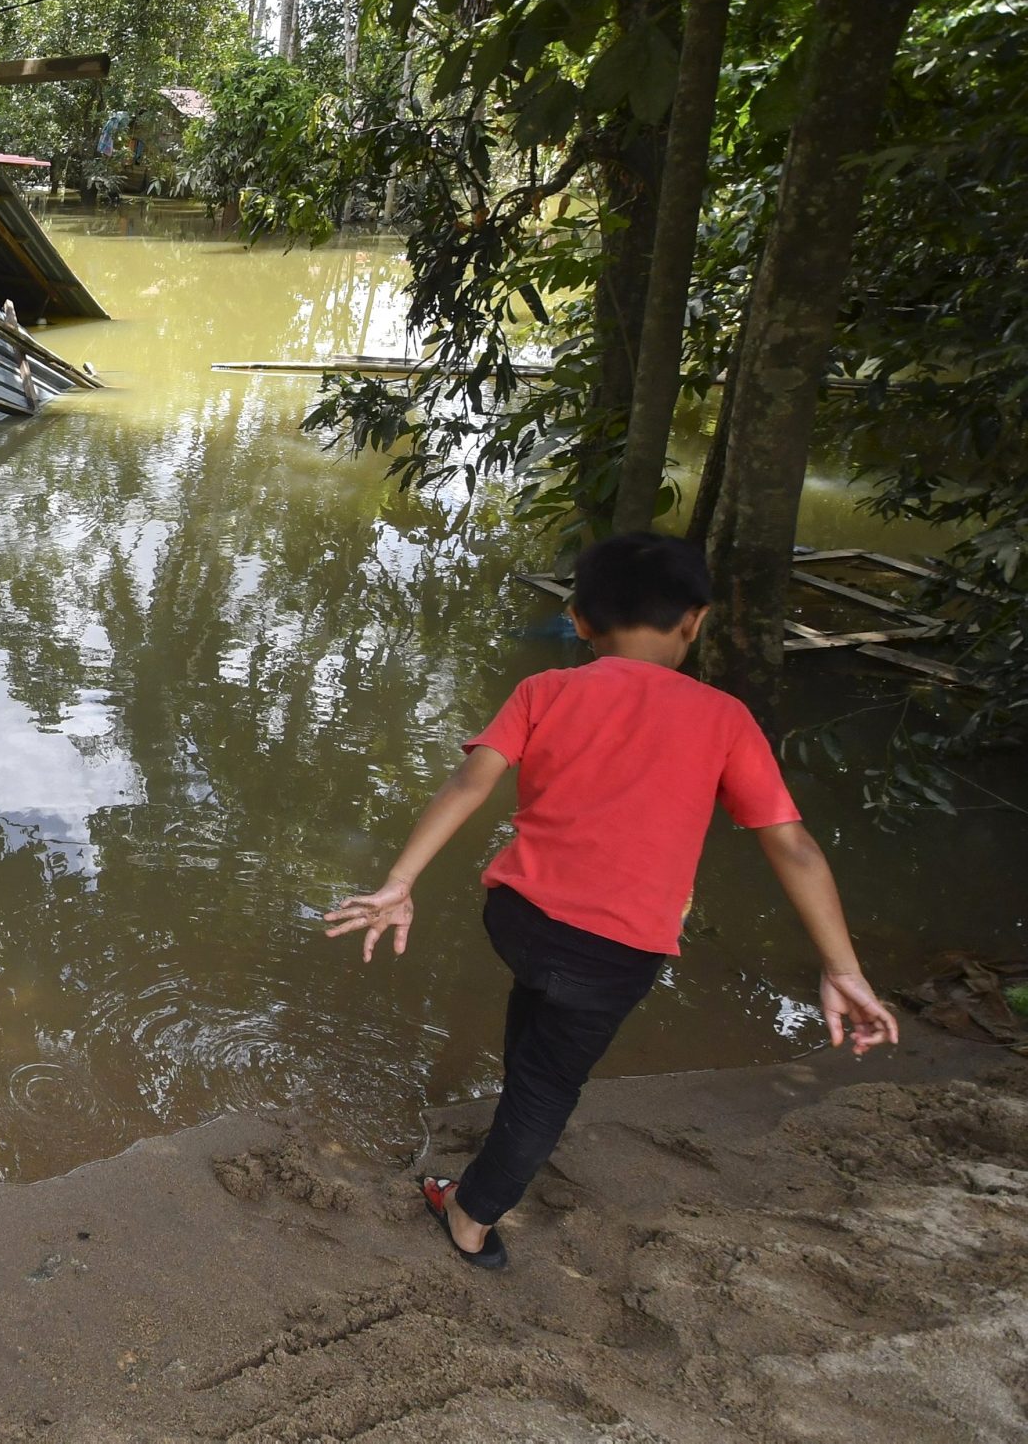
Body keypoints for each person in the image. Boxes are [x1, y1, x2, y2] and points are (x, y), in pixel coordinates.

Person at [323, 532, 899, 1270]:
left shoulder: (546, 690)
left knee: (540, 1013)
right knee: (549, 1085)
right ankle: (470, 1219)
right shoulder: (725, 718)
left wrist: (400, 880)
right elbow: (792, 846)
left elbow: (471, 782)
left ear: (581, 621)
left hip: (519, 920)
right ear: (695, 620)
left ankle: (491, 1155)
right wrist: (841, 966)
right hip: (618, 949)